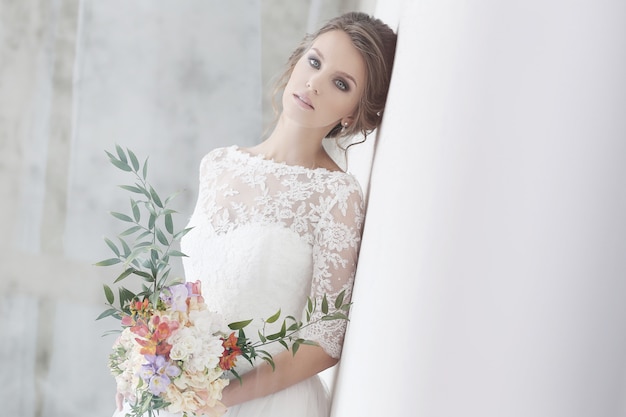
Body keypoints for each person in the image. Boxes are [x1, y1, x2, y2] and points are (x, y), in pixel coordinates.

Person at [114, 11, 396, 417]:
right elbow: (193, 294)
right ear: (298, 59)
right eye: (314, 62)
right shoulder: (218, 165)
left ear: (353, 112)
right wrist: (143, 362)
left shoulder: (336, 195)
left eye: (340, 83)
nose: (314, 83)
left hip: (262, 403)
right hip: (182, 395)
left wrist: (218, 397)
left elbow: (324, 339)